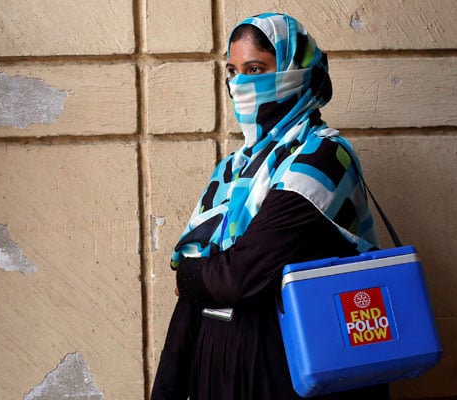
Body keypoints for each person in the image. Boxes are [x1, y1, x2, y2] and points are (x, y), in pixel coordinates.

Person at [151, 12, 389, 400]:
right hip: (216, 368)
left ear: (298, 71)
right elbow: (205, 293)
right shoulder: (234, 170)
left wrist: (189, 275)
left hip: (285, 371)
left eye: (257, 69)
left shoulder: (322, 158)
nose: (241, 85)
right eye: (233, 71)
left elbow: (238, 277)